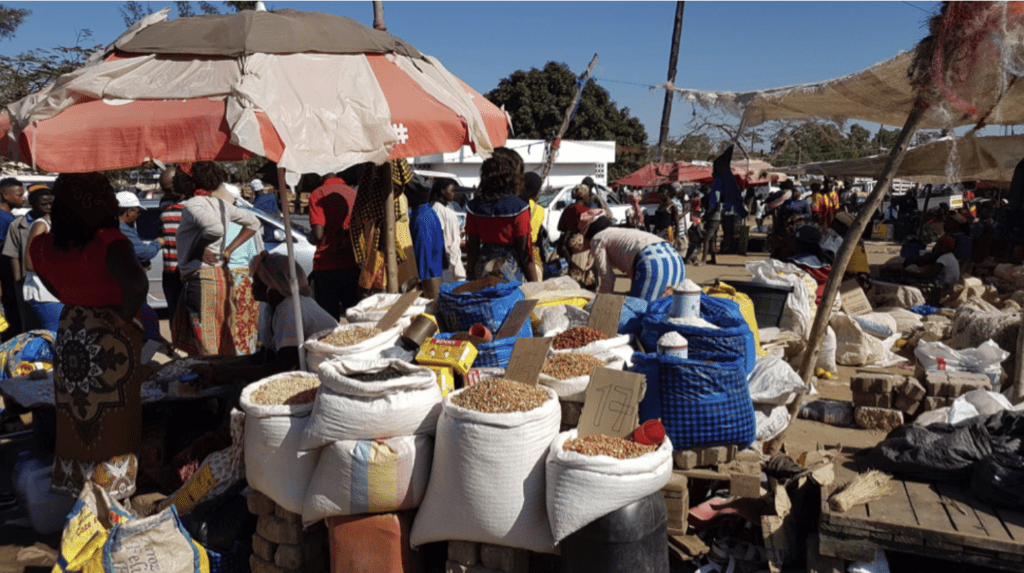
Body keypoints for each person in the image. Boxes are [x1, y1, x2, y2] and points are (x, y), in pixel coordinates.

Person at [30, 172, 149, 501]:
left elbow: (48, 282)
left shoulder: (45, 244)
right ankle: (112, 498)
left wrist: (76, 301)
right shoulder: (110, 241)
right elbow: (137, 284)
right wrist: (122, 316)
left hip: (72, 333)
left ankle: (80, 493)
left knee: (76, 417)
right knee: (114, 421)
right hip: (111, 338)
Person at [194, 252, 339, 385]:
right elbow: (265, 356)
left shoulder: (289, 308)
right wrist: (220, 367)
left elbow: (284, 367)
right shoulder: (274, 308)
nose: (252, 286)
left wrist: (229, 372)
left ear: (274, 286)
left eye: (258, 282)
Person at [173, 161, 261, 356]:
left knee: (208, 345)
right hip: (219, 277)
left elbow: (214, 228)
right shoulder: (221, 204)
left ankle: (215, 374)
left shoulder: (194, 204)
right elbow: (254, 222)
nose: (174, 179)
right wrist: (227, 250)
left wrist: (198, 249)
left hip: (203, 280)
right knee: (222, 340)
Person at [581, 210, 686, 302]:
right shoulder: (620, 232)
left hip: (653, 260)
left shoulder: (597, 238)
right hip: (675, 258)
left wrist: (600, 303)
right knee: (665, 309)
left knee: (639, 312)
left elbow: (607, 277)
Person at [465, 155, 538, 283]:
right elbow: (524, 252)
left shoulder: (473, 207)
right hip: (510, 271)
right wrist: (535, 283)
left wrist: (469, 277)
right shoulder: (519, 207)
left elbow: (472, 249)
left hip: (483, 269)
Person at [307, 172, 360, 319]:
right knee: (354, 318)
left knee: (328, 320)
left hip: (326, 265)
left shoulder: (318, 194)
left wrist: (309, 237)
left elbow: (318, 235)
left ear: (320, 173)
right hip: (351, 264)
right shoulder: (353, 194)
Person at [4, 186, 52, 331]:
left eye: (51, 203)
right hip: (27, 281)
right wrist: (18, 282)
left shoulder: (56, 223)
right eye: (44, 204)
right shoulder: (18, 225)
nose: (48, 207)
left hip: (48, 284)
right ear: (32, 203)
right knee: (30, 322)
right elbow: (13, 255)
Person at [22, 188, 62, 332]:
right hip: (44, 293)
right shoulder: (41, 225)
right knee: (54, 333)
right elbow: (30, 263)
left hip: (60, 292)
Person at [159, 166, 189, 320]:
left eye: (169, 189)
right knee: (174, 315)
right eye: (164, 190)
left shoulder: (192, 203)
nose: (167, 193)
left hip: (187, 270)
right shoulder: (163, 202)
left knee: (190, 316)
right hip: (169, 271)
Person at [407, 179, 445, 298]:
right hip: (434, 276)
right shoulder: (428, 212)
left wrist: (419, 286)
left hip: (427, 283)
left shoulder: (421, 220)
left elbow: (423, 258)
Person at [0, 178, 25, 340]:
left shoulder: (8, 217)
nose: (23, 198)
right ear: (6, 195)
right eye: (19, 195)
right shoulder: (3, 218)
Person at [557, 184, 595, 286]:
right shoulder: (585, 211)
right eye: (588, 194)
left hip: (567, 242)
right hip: (581, 246)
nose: (589, 197)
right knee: (581, 275)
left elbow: (560, 227)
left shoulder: (568, 209)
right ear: (584, 196)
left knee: (571, 273)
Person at [431, 178, 466, 283]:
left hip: (454, 254)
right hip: (447, 256)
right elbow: (439, 233)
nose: (453, 194)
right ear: (442, 191)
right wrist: (444, 258)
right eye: (451, 191)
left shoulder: (448, 206)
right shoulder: (437, 208)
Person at [117, 191, 163, 268]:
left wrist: (144, 261)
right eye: (137, 212)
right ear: (129, 212)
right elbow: (144, 253)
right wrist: (158, 242)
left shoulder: (126, 227)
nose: (138, 215)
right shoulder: (122, 230)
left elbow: (134, 252)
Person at [522, 172, 547, 279]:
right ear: (535, 191)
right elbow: (539, 238)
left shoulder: (514, 204)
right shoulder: (539, 210)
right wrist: (543, 258)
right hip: (531, 252)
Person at [700, 185, 722, 265]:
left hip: (714, 219)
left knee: (706, 239)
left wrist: (706, 216)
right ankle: (713, 259)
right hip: (714, 219)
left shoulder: (713, 195)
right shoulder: (715, 194)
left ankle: (703, 260)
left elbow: (716, 208)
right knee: (712, 239)